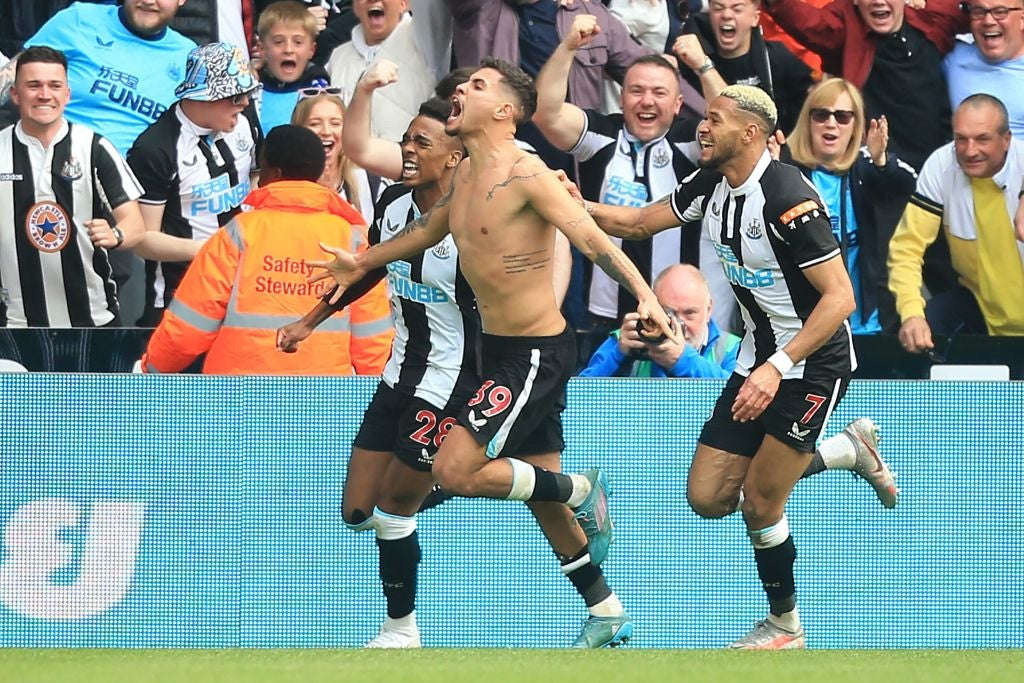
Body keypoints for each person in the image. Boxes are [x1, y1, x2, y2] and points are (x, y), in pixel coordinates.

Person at [309, 57, 682, 648]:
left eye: (477, 86)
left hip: (534, 354)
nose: (461, 90)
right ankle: (606, 609)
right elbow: (426, 232)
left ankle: (585, 492)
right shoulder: (464, 177)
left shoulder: (527, 174)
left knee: (456, 470)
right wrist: (363, 261)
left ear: (505, 111)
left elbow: (590, 237)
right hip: (498, 351)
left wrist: (644, 296)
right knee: (539, 494)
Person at [578, 84, 897, 648]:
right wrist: (573, 206)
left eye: (714, 120)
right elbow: (636, 224)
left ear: (750, 132)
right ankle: (847, 449)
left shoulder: (786, 197)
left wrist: (775, 368)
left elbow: (840, 299)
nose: (702, 128)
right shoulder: (712, 181)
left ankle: (785, 627)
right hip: (755, 359)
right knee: (707, 498)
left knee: (761, 501)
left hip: (812, 363)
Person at [276, 97, 467, 648]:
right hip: (398, 373)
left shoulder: (475, 218)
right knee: (358, 512)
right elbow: (366, 271)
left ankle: (400, 628)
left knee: (392, 508)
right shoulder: (393, 203)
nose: (407, 150)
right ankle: (478, 472)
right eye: (406, 139)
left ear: (455, 156)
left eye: (422, 143)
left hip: (452, 377)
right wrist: (309, 321)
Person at [533, 25, 737, 362]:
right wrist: (569, 46)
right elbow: (546, 112)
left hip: (675, 315)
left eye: (659, 92)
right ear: (622, 95)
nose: (647, 101)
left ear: (678, 104)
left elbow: (733, 121)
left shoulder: (691, 142)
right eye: (637, 91)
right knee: (603, 404)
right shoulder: (602, 135)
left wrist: (702, 66)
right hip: (603, 313)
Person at [140, 124, 392, 374]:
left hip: (235, 394)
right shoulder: (352, 240)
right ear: (317, 174)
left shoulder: (238, 233)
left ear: (274, 171)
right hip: (323, 397)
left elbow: (188, 326)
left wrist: (151, 367)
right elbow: (374, 338)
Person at [0, 45, 145, 328]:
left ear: (67, 94)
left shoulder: (95, 147)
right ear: (15, 94)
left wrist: (115, 234)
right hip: (14, 324)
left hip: (94, 320)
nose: (44, 94)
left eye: (54, 85)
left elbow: (136, 226)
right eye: (33, 85)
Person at [127, 41, 263, 327]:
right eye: (236, 95)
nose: (246, 102)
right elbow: (143, 239)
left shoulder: (244, 118)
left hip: (247, 284)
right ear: (203, 97)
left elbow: (256, 175)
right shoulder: (154, 148)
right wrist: (213, 251)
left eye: (247, 93)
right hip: (181, 294)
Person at [889, 94, 1024, 350]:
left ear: (1006, 140)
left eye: (982, 139)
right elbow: (907, 248)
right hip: (978, 308)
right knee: (924, 323)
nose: (970, 151)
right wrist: (911, 313)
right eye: (961, 139)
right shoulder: (941, 165)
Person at [782, 77, 917, 334]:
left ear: (856, 126)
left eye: (843, 116)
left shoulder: (867, 168)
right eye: (821, 115)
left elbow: (907, 186)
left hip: (863, 324)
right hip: (802, 325)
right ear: (807, 122)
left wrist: (881, 160)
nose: (831, 123)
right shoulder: (786, 171)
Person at [1, 0, 197, 156]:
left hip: (131, 183)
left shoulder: (190, 58)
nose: (147, 1)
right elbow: (16, 73)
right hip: (47, 161)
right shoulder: (80, 19)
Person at [678, 0, 815, 135]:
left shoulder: (778, 58)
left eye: (737, 9)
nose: (726, 15)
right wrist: (702, 67)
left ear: (755, 18)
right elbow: (729, 122)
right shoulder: (692, 59)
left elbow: (812, 103)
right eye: (718, 8)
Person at [580, 263, 740, 377]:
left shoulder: (732, 348)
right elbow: (580, 399)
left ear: (709, 308)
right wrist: (619, 356)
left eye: (690, 313)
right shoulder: (630, 338)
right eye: (668, 313)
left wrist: (683, 360)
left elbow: (742, 402)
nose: (678, 324)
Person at [325, 0, 435, 142]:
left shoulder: (428, 43)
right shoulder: (338, 57)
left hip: (408, 160)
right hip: (351, 161)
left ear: (404, 3)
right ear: (355, 7)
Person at [291, 89, 380, 225]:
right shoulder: (283, 187)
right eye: (315, 124)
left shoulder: (370, 181)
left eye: (335, 123)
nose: (326, 131)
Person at [944, 0, 1024, 137]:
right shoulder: (952, 59)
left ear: (1022, 18)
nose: (988, 21)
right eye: (978, 12)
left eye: (1000, 12)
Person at [255, 1, 331, 133]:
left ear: (311, 50)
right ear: (261, 49)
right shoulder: (250, 92)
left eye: (298, 42)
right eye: (278, 42)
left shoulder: (320, 92)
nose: (289, 49)